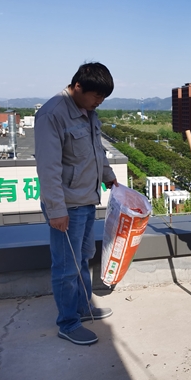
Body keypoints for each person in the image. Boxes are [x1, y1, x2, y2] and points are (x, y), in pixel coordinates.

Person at [35, 62, 118, 346]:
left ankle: (83, 308)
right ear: (78, 86)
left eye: (103, 98)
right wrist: (56, 211)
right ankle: (68, 323)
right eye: (96, 95)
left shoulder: (88, 111)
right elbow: (48, 169)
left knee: (82, 259)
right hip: (67, 206)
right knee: (66, 267)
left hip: (86, 200)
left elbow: (97, 150)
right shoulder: (52, 114)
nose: (99, 102)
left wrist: (108, 176)